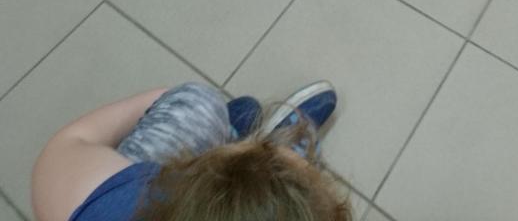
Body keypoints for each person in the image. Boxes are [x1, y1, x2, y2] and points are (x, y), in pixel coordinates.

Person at [32, 81, 348, 221]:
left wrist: (157, 99)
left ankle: (228, 133)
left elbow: (70, 143)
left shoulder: (113, 203)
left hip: (137, 188)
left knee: (198, 105)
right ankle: (239, 137)